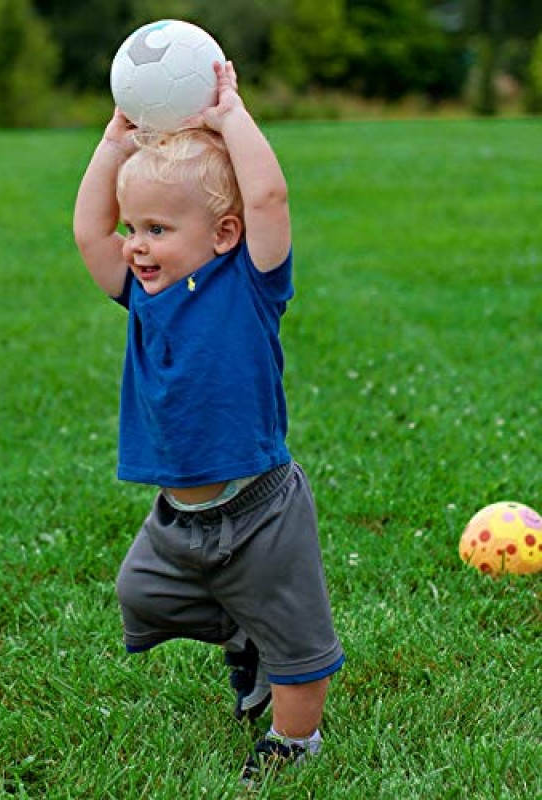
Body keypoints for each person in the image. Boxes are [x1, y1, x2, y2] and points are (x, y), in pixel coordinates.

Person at [73, 60, 344, 784]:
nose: (136, 243)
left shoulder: (252, 284)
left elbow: (269, 195)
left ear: (224, 234)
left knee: (300, 644)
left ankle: (295, 739)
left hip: (261, 508)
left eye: (157, 228)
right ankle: (239, 631)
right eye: (135, 227)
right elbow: (88, 235)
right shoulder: (144, 295)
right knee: (141, 594)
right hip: (177, 514)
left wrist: (231, 118)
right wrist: (112, 148)